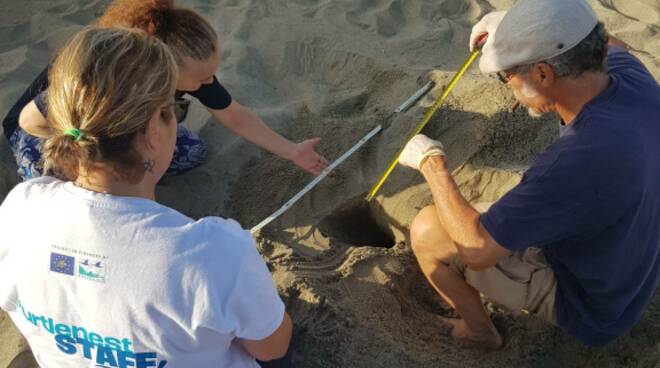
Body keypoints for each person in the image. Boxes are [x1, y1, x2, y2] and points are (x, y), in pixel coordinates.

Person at [0, 26, 292, 367]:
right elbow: (272, 347)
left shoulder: (19, 210)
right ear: (154, 128)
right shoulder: (215, 252)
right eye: (174, 111)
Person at [398, 0, 660, 349]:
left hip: (590, 306)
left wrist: (431, 162)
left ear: (542, 74)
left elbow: (478, 251)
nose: (508, 86)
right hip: (630, 267)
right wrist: (517, 27)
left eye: (506, 75)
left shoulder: (574, 161)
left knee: (429, 229)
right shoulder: (630, 78)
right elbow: (610, 44)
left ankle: (479, 332)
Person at [2, 0, 329, 180]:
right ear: (162, 68)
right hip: (56, 129)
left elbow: (234, 115)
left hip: (122, 121)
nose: (208, 84)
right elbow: (31, 121)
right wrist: (96, 148)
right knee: (59, 179)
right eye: (201, 79)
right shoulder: (105, 78)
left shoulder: (190, 70)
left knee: (190, 153)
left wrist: (291, 150)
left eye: (211, 74)